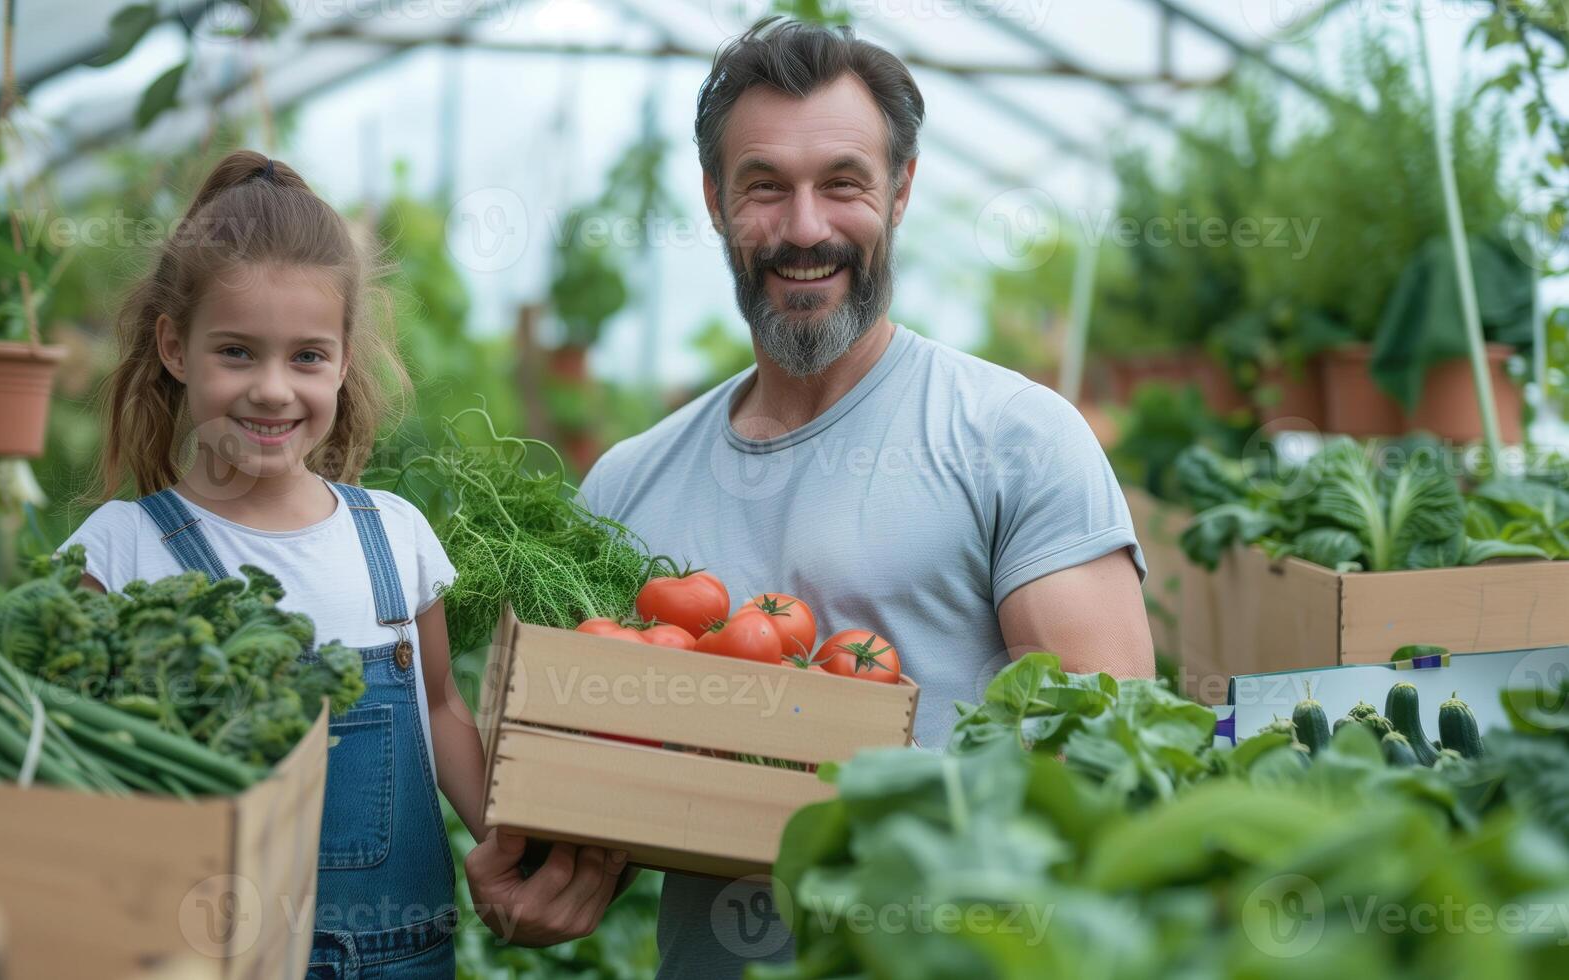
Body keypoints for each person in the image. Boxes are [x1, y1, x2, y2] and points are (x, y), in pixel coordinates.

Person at [576, 19, 1156, 979]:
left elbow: (1109, 762)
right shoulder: (629, 483)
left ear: (901, 190)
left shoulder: (1014, 438)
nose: (805, 228)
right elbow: (602, 782)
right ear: (717, 202)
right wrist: (558, 869)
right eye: (764, 186)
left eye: (842, 182)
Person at [63, 150, 626, 978]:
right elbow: (78, 764)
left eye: (306, 357)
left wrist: (514, 843)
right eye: (236, 353)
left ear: (342, 361)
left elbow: (438, 706)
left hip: (404, 959)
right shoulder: (120, 551)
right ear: (174, 348)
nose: (272, 390)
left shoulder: (392, 535)